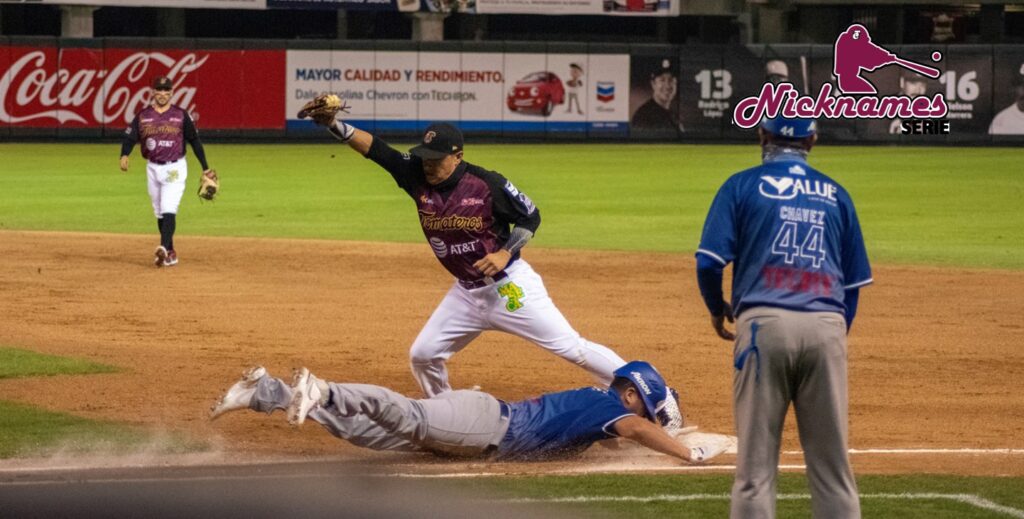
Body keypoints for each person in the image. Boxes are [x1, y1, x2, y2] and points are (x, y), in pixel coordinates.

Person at [301, 114, 684, 430]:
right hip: (465, 294)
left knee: (571, 347)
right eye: (425, 156)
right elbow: (378, 151)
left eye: (437, 158)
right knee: (423, 354)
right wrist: (334, 124)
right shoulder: (416, 173)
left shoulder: (486, 184)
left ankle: (657, 395)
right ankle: (445, 416)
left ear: (458, 155)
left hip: (509, 289)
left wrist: (505, 252)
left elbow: (530, 217)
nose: (428, 164)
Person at [695, 117, 871, 518]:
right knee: (833, 470)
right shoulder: (837, 194)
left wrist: (716, 308)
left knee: (755, 469)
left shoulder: (740, 185)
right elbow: (853, 285)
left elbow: (709, 263)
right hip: (826, 325)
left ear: (763, 136)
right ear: (812, 138)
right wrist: (835, 332)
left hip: (763, 327)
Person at [210, 360, 721, 463]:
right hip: (485, 424)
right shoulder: (609, 407)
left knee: (369, 433)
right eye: (649, 408)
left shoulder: (595, 411)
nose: (644, 419)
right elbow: (631, 429)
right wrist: (685, 451)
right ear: (633, 395)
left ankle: (265, 392)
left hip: (478, 423)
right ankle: (324, 388)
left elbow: (620, 436)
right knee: (407, 413)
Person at [119, 76, 213, 268]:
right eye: (159, 90)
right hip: (152, 167)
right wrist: (124, 154)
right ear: (153, 92)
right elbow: (130, 137)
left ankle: (163, 247)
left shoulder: (180, 115)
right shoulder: (144, 115)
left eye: (166, 90)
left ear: (172, 93)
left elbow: (194, 140)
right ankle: (170, 252)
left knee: (169, 208)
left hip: (175, 167)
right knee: (159, 212)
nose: (162, 93)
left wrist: (205, 167)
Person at [630, 59, 683, 132]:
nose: (667, 86)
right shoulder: (643, 117)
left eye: (671, 80)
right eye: (662, 80)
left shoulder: (673, 116)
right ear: (653, 84)